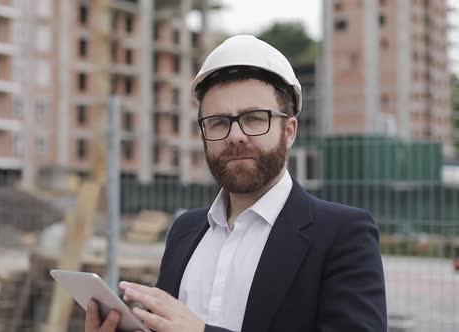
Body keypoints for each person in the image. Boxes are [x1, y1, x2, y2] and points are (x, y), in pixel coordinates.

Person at [85, 35, 387, 332]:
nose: (235, 135)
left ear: (289, 131)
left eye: (255, 118)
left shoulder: (343, 234)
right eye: (218, 122)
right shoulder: (185, 231)